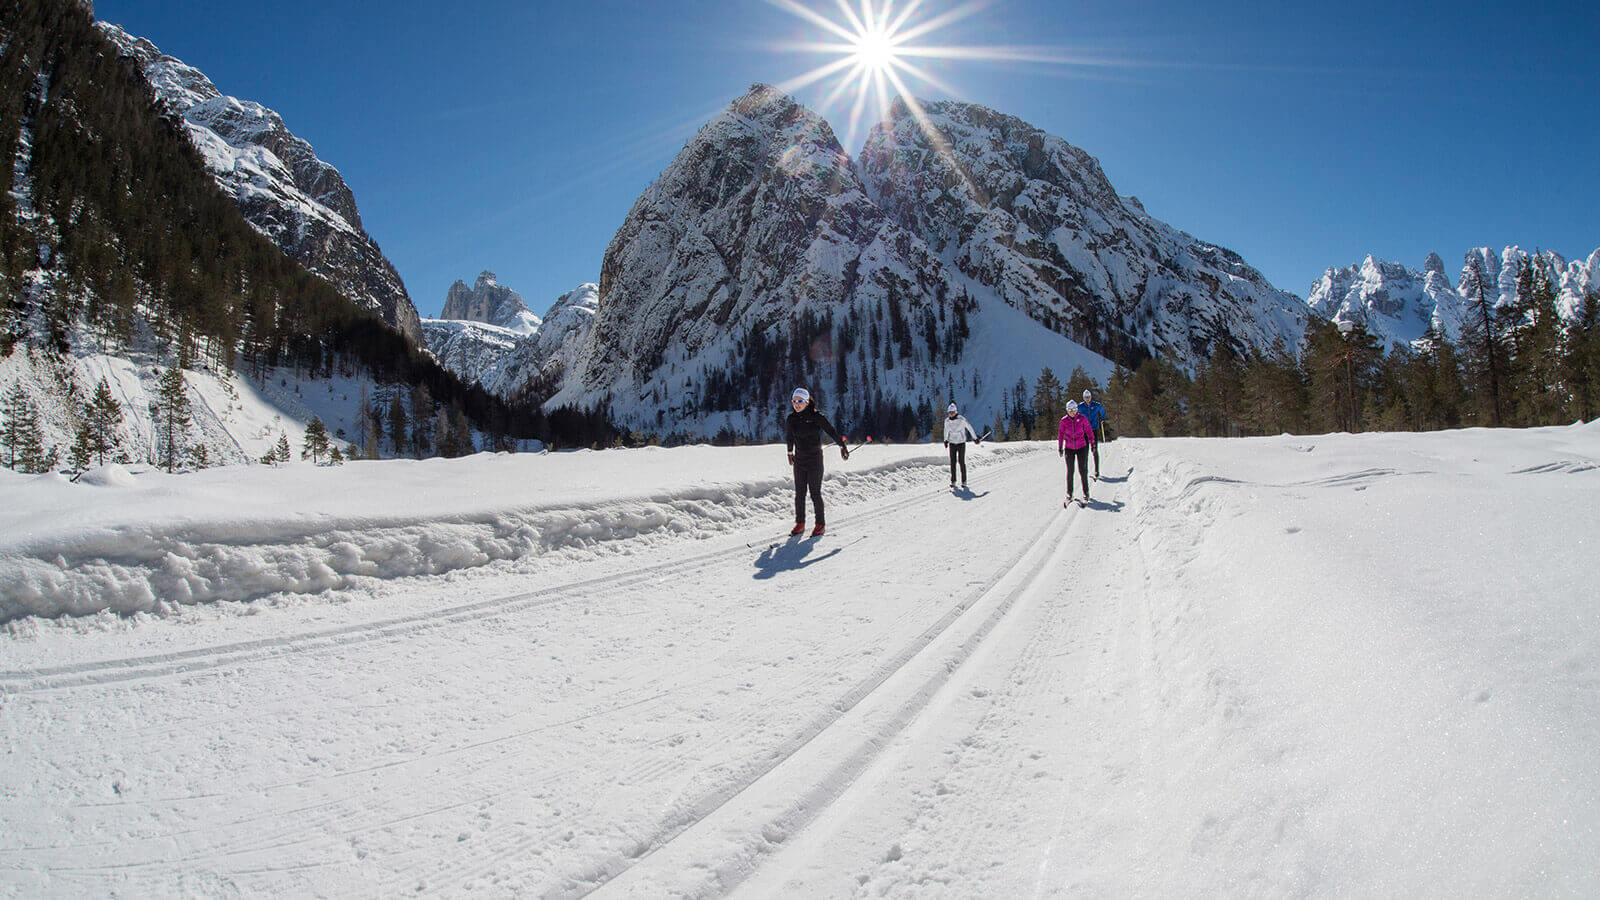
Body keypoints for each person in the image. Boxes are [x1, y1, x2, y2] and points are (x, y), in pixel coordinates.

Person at [785, 387, 848, 536]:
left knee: (815, 493)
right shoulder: (791, 419)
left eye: (800, 401)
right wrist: (789, 453)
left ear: (807, 402)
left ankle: (820, 524)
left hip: (815, 460)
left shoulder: (816, 416)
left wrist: (842, 446)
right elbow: (789, 437)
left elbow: (831, 430)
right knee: (799, 494)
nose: (797, 404)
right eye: (794, 401)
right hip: (799, 460)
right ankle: (800, 523)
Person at [1058, 399, 1096, 506]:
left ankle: (1086, 492)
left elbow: (1089, 431)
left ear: (1077, 409)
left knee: (1083, 470)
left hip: (1081, 447)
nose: (1072, 412)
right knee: (1070, 471)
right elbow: (1061, 434)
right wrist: (1060, 447)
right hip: (1069, 448)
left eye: (1074, 409)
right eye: (1070, 410)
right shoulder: (1064, 421)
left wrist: (1092, 443)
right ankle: (1069, 493)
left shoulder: (1082, 419)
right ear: (1067, 410)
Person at [942, 402, 980, 486]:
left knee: (961, 462)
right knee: (952, 462)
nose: (950, 414)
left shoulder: (961, 419)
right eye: (949, 413)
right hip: (952, 443)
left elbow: (969, 427)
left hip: (961, 443)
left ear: (956, 412)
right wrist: (945, 440)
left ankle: (964, 481)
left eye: (952, 412)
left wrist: (975, 438)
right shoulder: (947, 421)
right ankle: (953, 481)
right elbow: (946, 430)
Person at [1079, 389, 1107, 479]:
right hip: (1084, 431)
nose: (1087, 399)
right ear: (1083, 398)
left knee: (1094, 450)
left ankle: (1097, 470)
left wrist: (1103, 418)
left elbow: (1102, 410)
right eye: (1086, 397)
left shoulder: (1096, 405)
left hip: (1093, 429)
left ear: (1091, 397)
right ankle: (1085, 470)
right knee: (1085, 451)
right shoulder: (1080, 406)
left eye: (1089, 397)